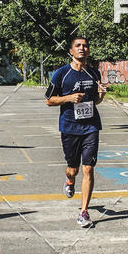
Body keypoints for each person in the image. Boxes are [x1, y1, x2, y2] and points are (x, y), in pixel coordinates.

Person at [45, 36, 106, 228]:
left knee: (88, 168)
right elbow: (49, 100)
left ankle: (84, 212)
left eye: (85, 46)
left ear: (88, 50)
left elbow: (95, 101)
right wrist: (69, 98)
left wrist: (101, 95)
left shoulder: (94, 73)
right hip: (70, 126)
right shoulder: (61, 74)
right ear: (71, 51)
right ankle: (69, 181)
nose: (82, 48)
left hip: (91, 126)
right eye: (78, 46)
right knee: (73, 169)